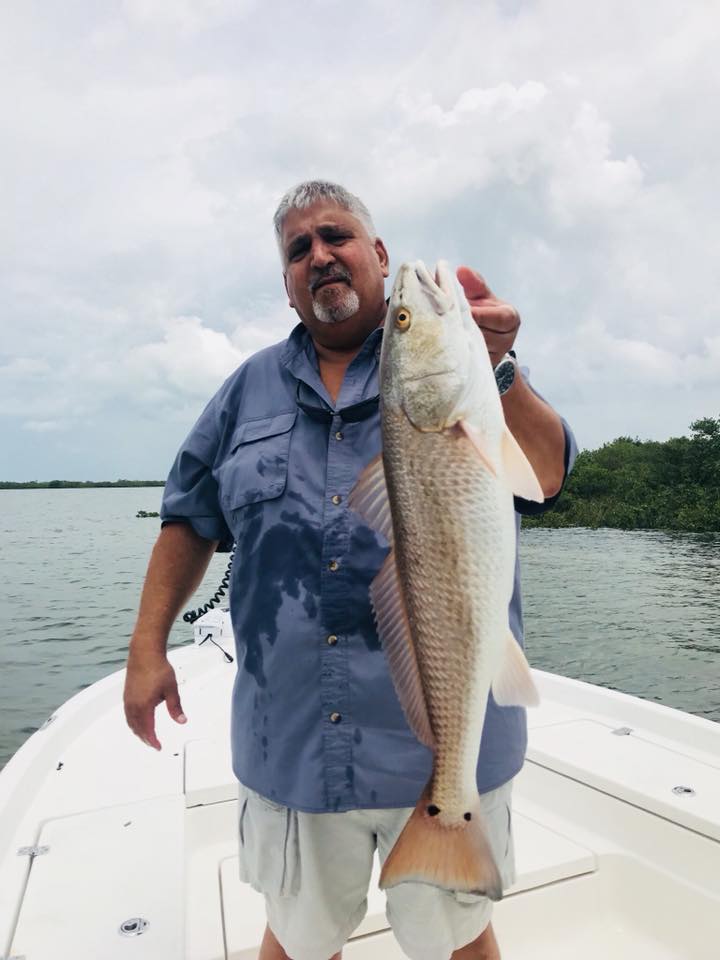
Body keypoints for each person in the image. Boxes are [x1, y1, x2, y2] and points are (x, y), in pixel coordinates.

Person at [124, 180, 575, 960]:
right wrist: (146, 646)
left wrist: (500, 372)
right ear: (287, 282)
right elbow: (188, 518)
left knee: (460, 939)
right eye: (298, 249)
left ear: (378, 254)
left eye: (336, 236)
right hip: (294, 740)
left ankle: (450, 817)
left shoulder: (470, 381)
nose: (320, 255)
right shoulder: (245, 390)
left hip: (445, 744)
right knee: (297, 940)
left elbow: (546, 472)